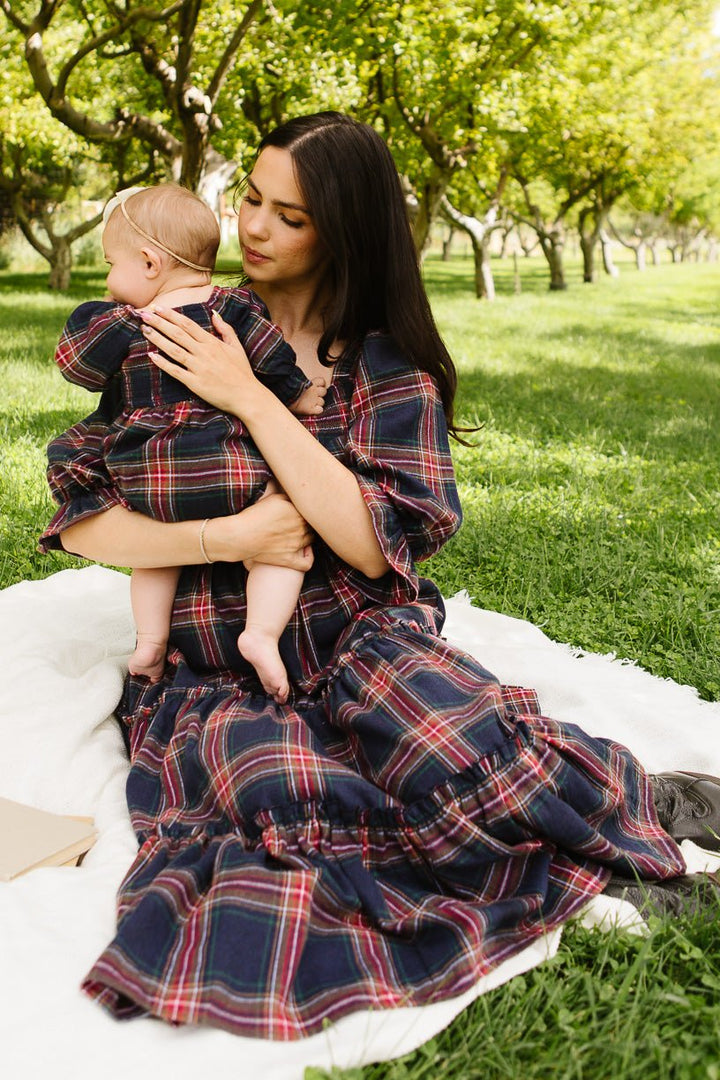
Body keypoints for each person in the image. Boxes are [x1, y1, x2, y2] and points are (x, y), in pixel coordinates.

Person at [42, 112, 720, 1041]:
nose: (254, 227)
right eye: (250, 197)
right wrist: (230, 534)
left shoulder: (381, 366)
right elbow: (84, 516)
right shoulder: (176, 325)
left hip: (358, 624)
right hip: (224, 652)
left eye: (291, 215)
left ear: (345, 231)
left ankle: (637, 802)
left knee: (445, 737)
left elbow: (370, 546)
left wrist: (249, 396)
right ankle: (575, 862)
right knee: (277, 808)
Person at [41, 183, 326, 702]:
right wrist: (300, 395)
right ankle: (261, 634)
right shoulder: (235, 308)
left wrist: (102, 312)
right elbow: (273, 358)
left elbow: (75, 366)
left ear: (149, 263)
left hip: (148, 475)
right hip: (231, 469)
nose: (109, 279)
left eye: (111, 264)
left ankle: (150, 641)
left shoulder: (128, 324)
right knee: (281, 548)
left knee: (153, 552)